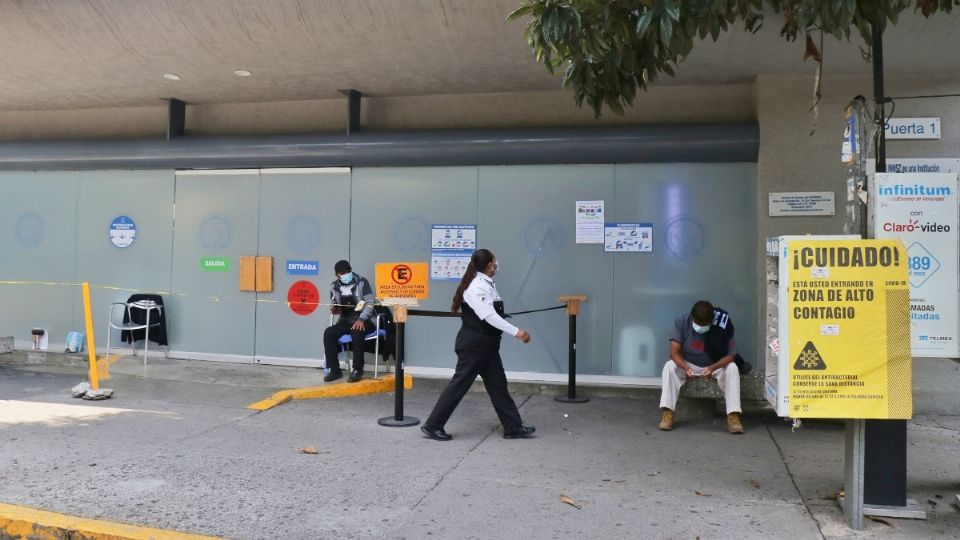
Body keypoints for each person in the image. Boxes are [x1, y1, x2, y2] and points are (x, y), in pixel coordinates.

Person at [420, 248, 536, 441]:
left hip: (487, 346)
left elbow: (490, 312)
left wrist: (503, 319)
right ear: (490, 264)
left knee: (498, 385)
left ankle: (513, 427)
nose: (497, 263)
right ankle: (433, 425)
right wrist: (517, 332)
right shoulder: (477, 287)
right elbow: (488, 315)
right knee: (459, 385)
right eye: (495, 260)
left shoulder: (487, 284)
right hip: (474, 345)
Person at [658, 300, 744, 434]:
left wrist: (713, 367)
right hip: (688, 363)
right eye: (698, 324)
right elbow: (673, 353)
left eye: (705, 324)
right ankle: (667, 413)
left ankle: (733, 416)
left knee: (732, 368)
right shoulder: (681, 322)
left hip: (715, 365)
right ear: (692, 318)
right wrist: (685, 368)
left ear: (712, 320)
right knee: (669, 367)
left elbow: (731, 356)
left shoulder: (722, 323)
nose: (701, 327)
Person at [323, 260, 376, 383]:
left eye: (348, 271)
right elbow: (334, 303)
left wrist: (361, 319)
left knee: (356, 331)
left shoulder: (362, 282)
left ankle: (358, 369)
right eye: (343, 273)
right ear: (337, 275)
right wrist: (335, 309)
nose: (346, 274)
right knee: (329, 333)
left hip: (365, 319)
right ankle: (335, 370)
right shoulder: (333, 286)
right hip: (346, 319)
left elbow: (370, 302)